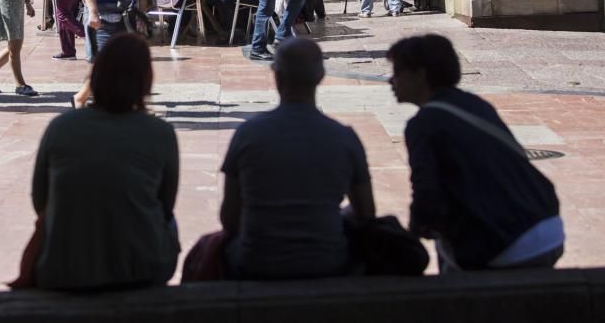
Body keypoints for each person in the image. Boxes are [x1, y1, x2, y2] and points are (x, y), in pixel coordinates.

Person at [387, 34, 564, 272]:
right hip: (548, 225)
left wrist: (411, 235)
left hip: (508, 243)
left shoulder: (424, 123)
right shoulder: (475, 104)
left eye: (397, 72)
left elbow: (425, 192)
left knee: (448, 250)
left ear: (420, 74)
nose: (391, 81)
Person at [30, 34, 179, 290]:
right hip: (140, 269)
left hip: (66, 267)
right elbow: (166, 205)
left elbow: (40, 200)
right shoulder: (160, 133)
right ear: (145, 81)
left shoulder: (61, 127)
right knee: (168, 220)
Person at [218, 38, 375, 278]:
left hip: (258, 261)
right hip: (328, 260)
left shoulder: (247, 135)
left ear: (277, 77)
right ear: (321, 76)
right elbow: (366, 213)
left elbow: (229, 219)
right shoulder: (345, 138)